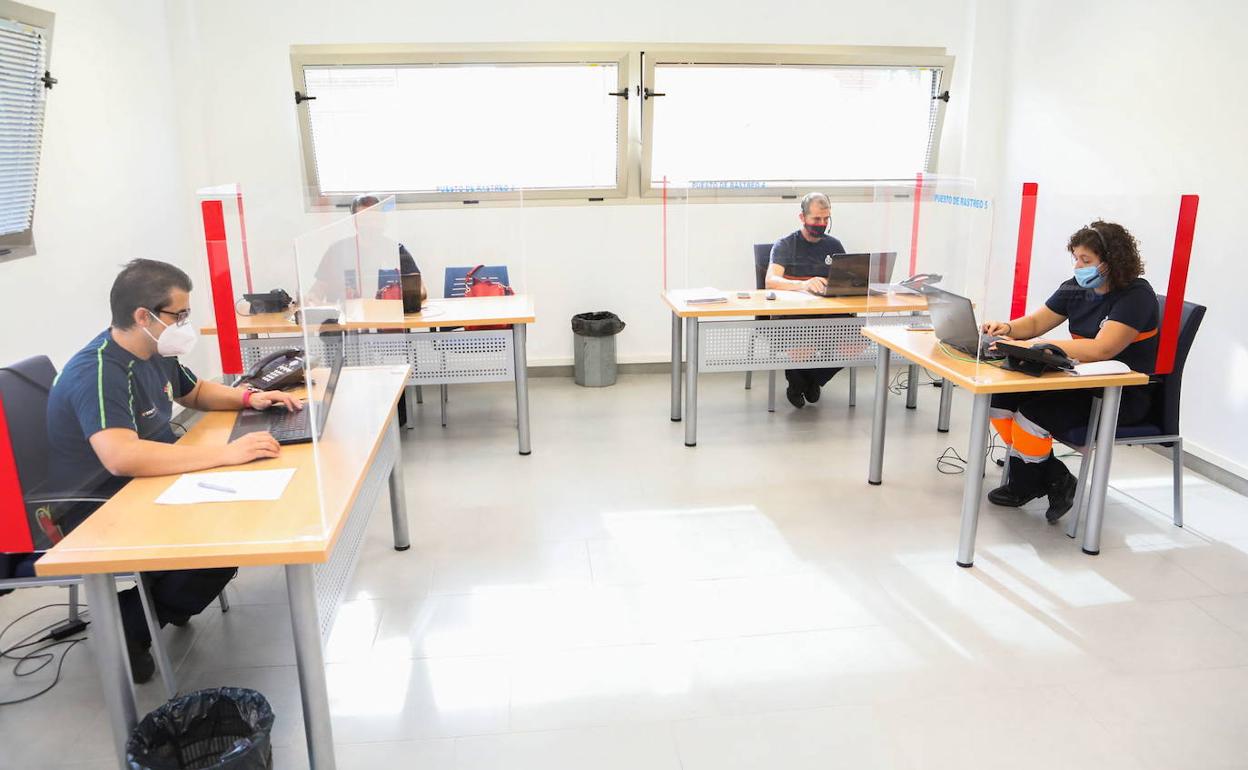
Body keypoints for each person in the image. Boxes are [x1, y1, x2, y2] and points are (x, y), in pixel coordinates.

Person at [45, 259, 303, 683]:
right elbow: (121, 457)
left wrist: (249, 398)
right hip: (101, 503)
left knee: (239, 517)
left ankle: (163, 596)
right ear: (142, 316)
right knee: (219, 545)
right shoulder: (98, 372)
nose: (184, 325)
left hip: (148, 480)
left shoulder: (153, 351)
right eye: (178, 315)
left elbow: (194, 392)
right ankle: (129, 623)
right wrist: (224, 455)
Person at [981, 220, 1159, 523]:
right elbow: (1035, 323)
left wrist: (1037, 346)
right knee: (999, 401)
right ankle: (1055, 478)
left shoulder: (1136, 296)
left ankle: (1025, 484)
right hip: (1078, 382)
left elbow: (1102, 349)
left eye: (1085, 260)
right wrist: (1007, 328)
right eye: (1076, 258)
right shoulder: (1076, 288)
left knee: (1031, 415)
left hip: (1120, 395)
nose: (1078, 266)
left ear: (1111, 261)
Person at [765, 191, 848, 408]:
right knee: (805, 345)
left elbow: (845, 279)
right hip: (792, 316)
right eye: (816, 219)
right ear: (802, 217)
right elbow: (771, 280)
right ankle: (799, 384)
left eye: (826, 219)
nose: (822, 224)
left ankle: (810, 381)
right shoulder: (785, 244)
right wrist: (804, 284)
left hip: (829, 314)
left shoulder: (834, 246)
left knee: (855, 344)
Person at [307, 194, 427, 305]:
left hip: (385, 317)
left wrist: (397, 298)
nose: (370, 225)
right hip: (347, 318)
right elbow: (318, 290)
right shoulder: (337, 251)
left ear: (383, 220)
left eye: (375, 219)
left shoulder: (397, 250)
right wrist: (310, 299)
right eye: (364, 219)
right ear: (354, 222)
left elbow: (421, 291)